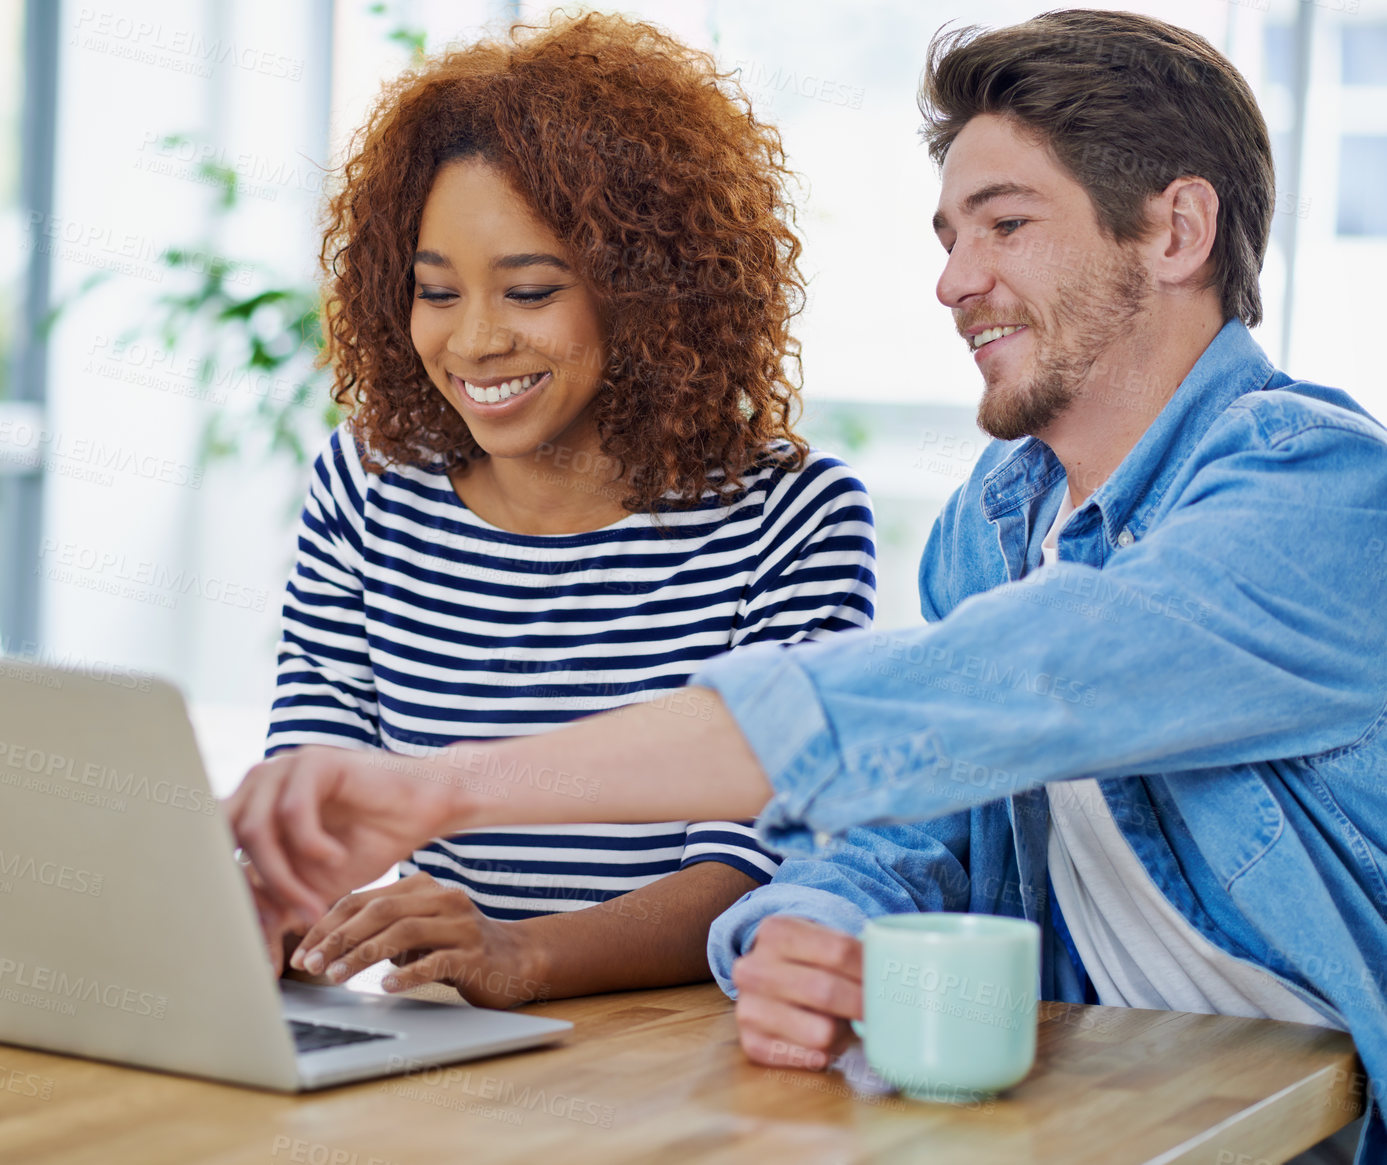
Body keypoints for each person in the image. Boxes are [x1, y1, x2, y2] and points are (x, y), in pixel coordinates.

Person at [232, 9, 1387, 1159]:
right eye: (947, 235)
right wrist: (807, 925)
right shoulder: (992, 527)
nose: (950, 281)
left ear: (1176, 228)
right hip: (1111, 1113)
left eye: (1005, 225)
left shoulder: (1316, 493)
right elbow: (903, 832)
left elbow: (978, 690)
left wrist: (446, 788)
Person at [247, 13, 875, 1009]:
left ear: (645, 293)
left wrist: (521, 953)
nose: (475, 340)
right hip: (441, 1033)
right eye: (435, 292)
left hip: (672, 1054)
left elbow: (750, 868)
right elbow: (313, 768)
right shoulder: (366, 486)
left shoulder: (790, 515)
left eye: (529, 290)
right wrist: (268, 900)